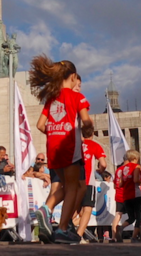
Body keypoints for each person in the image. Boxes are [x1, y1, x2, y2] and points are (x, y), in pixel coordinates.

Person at [30, 57, 94, 244]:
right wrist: (88, 128)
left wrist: (55, 131)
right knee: (73, 187)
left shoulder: (51, 99)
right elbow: (86, 120)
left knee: (65, 186)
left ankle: (46, 210)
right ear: (73, 77)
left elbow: (41, 125)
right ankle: (63, 228)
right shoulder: (77, 97)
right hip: (69, 146)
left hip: (53, 148)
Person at [113, 150, 141, 241]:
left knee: (131, 217)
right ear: (135, 158)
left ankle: (121, 228)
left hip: (126, 196)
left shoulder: (123, 169)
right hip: (135, 194)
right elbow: (135, 180)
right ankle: (134, 237)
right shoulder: (136, 167)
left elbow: (120, 184)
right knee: (138, 217)